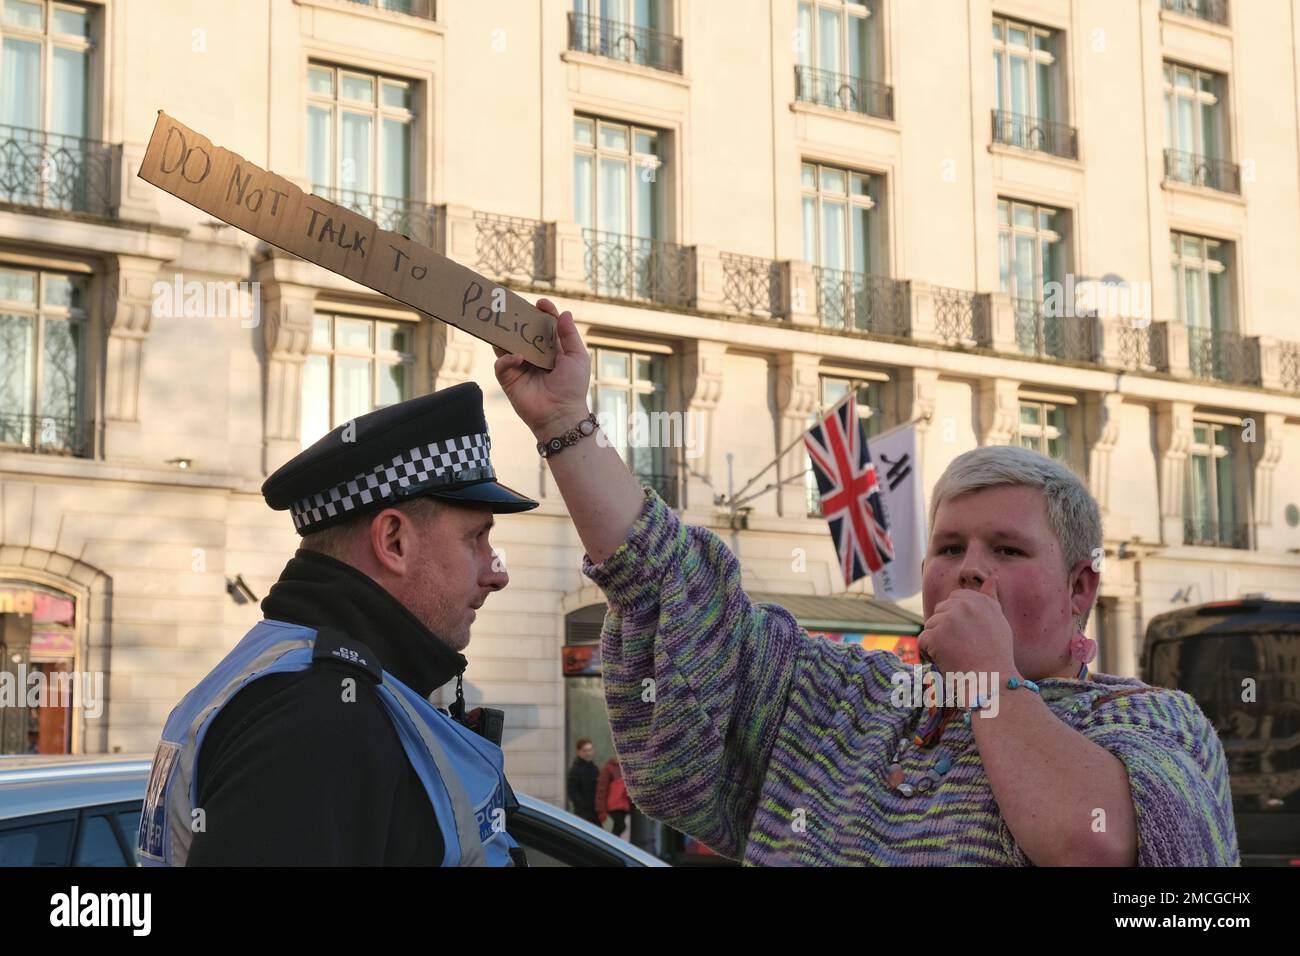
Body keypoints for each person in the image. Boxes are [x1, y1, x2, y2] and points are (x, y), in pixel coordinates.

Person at [493, 298, 1240, 866]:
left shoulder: (1154, 726)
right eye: (948, 547)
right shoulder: (846, 702)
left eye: (1007, 551)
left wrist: (990, 683)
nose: (968, 568)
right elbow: (674, 590)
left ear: (1080, 589)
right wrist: (567, 423)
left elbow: (1096, 843)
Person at [138, 383, 533, 866]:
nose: (497, 572)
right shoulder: (320, 716)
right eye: (476, 538)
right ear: (393, 541)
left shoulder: (305, 681)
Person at [596, 756, 632, 838]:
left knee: (619, 827)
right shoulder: (608, 769)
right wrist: (601, 810)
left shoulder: (626, 768)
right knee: (621, 826)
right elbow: (601, 790)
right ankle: (610, 843)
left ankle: (612, 843)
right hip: (613, 805)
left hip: (624, 805)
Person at [566, 738, 599, 825]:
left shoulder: (594, 768)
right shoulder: (575, 770)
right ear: (579, 752)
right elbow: (571, 791)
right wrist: (582, 804)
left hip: (594, 811)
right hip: (582, 812)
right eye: (585, 751)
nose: (588, 753)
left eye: (590, 750)